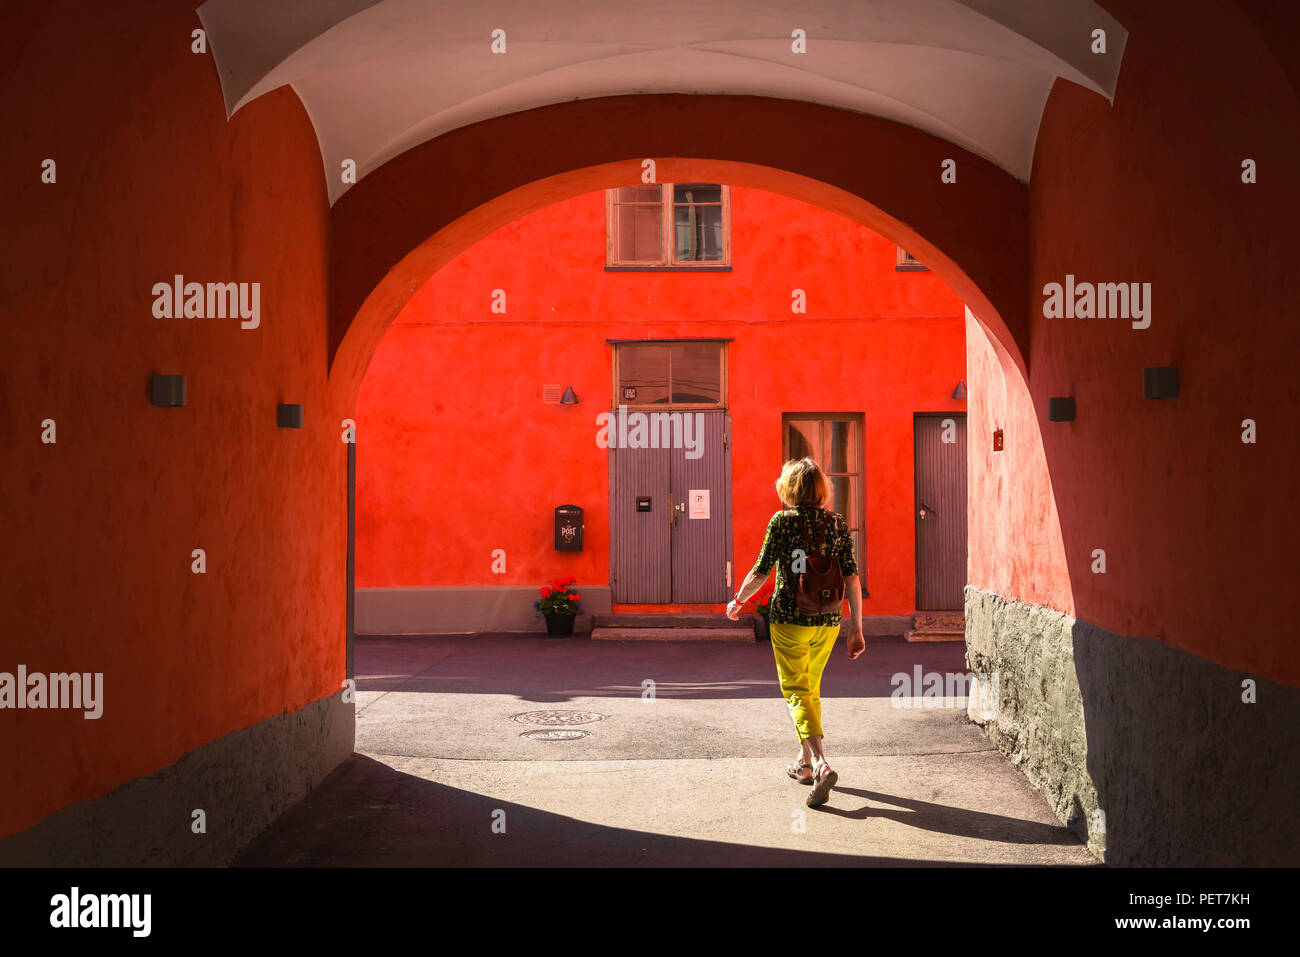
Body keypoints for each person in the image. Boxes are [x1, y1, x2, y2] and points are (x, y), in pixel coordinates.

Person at [727, 457, 865, 807]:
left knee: (796, 690)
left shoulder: (782, 522)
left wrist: (738, 601)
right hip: (829, 620)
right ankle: (804, 764)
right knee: (810, 689)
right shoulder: (837, 523)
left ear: (789, 489)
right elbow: (851, 577)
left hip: (789, 617)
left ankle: (819, 763)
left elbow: (761, 571)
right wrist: (856, 628)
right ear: (821, 488)